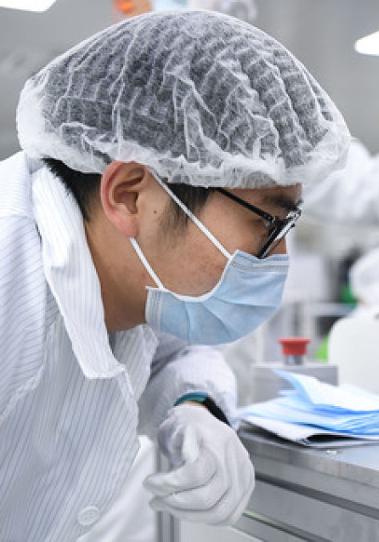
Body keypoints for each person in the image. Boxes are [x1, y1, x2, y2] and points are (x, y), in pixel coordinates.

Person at [0, 10, 349, 541]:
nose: (279, 255)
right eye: (266, 220)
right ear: (129, 195)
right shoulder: (11, 285)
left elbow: (176, 353)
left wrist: (196, 406)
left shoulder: (125, 276)